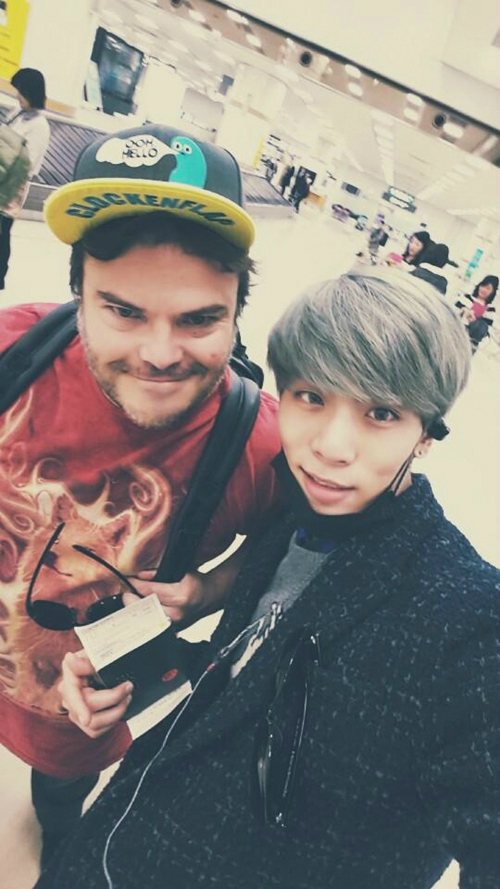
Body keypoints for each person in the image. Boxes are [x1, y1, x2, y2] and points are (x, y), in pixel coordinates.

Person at [44, 269, 499, 888]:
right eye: (311, 397)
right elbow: (254, 672)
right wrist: (127, 676)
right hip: (109, 846)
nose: (331, 448)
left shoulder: (471, 618)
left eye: (382, 412)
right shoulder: (292, 522)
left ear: (426, 434)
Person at [0, 123, 281, 866]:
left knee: (60, 799)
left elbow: (296, 555)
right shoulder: (13, 351)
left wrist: (205, 590)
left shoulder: (255, 445)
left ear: (237, 312)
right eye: (123, 311)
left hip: (77, 713)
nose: (159, 355)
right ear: (79, 295)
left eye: (199, 319)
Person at [0, 68, 51, 288]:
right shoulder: (17, 114)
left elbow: (28, 161)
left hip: (13, 184)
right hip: (2, 174)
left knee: (2, 229)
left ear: (31, 92)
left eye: (21, 92)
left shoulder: (39, 125)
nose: (18, 96)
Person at [455, 274, 498, 353]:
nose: (484, 290)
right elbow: (454, 311)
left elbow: (486, 329)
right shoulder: (467, 298)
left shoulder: (490, 309)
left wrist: (474, 321)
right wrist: (465, 312)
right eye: (483, 286)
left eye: (488, 288)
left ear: (492, 292)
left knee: (481, 326)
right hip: (457, 330)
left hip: (471, 340)